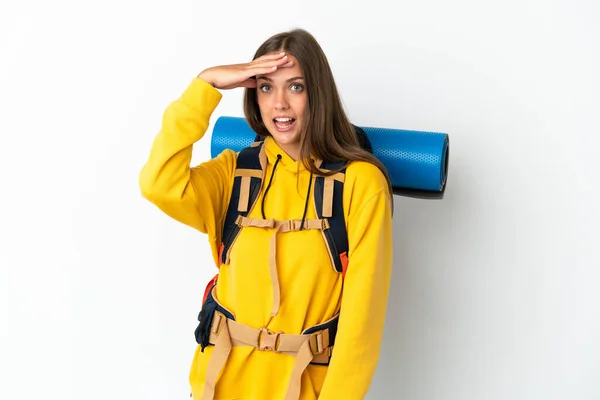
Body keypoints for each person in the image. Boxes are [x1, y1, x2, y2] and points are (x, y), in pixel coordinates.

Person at [139, 28, 394, 400]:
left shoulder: (361, 184)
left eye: (295, 87)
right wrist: (204, 86)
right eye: (265, 87)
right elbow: (158, 183)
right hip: (218, 385)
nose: (279, 104)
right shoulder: (234, 174)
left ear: (317, 94)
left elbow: (362, 324)